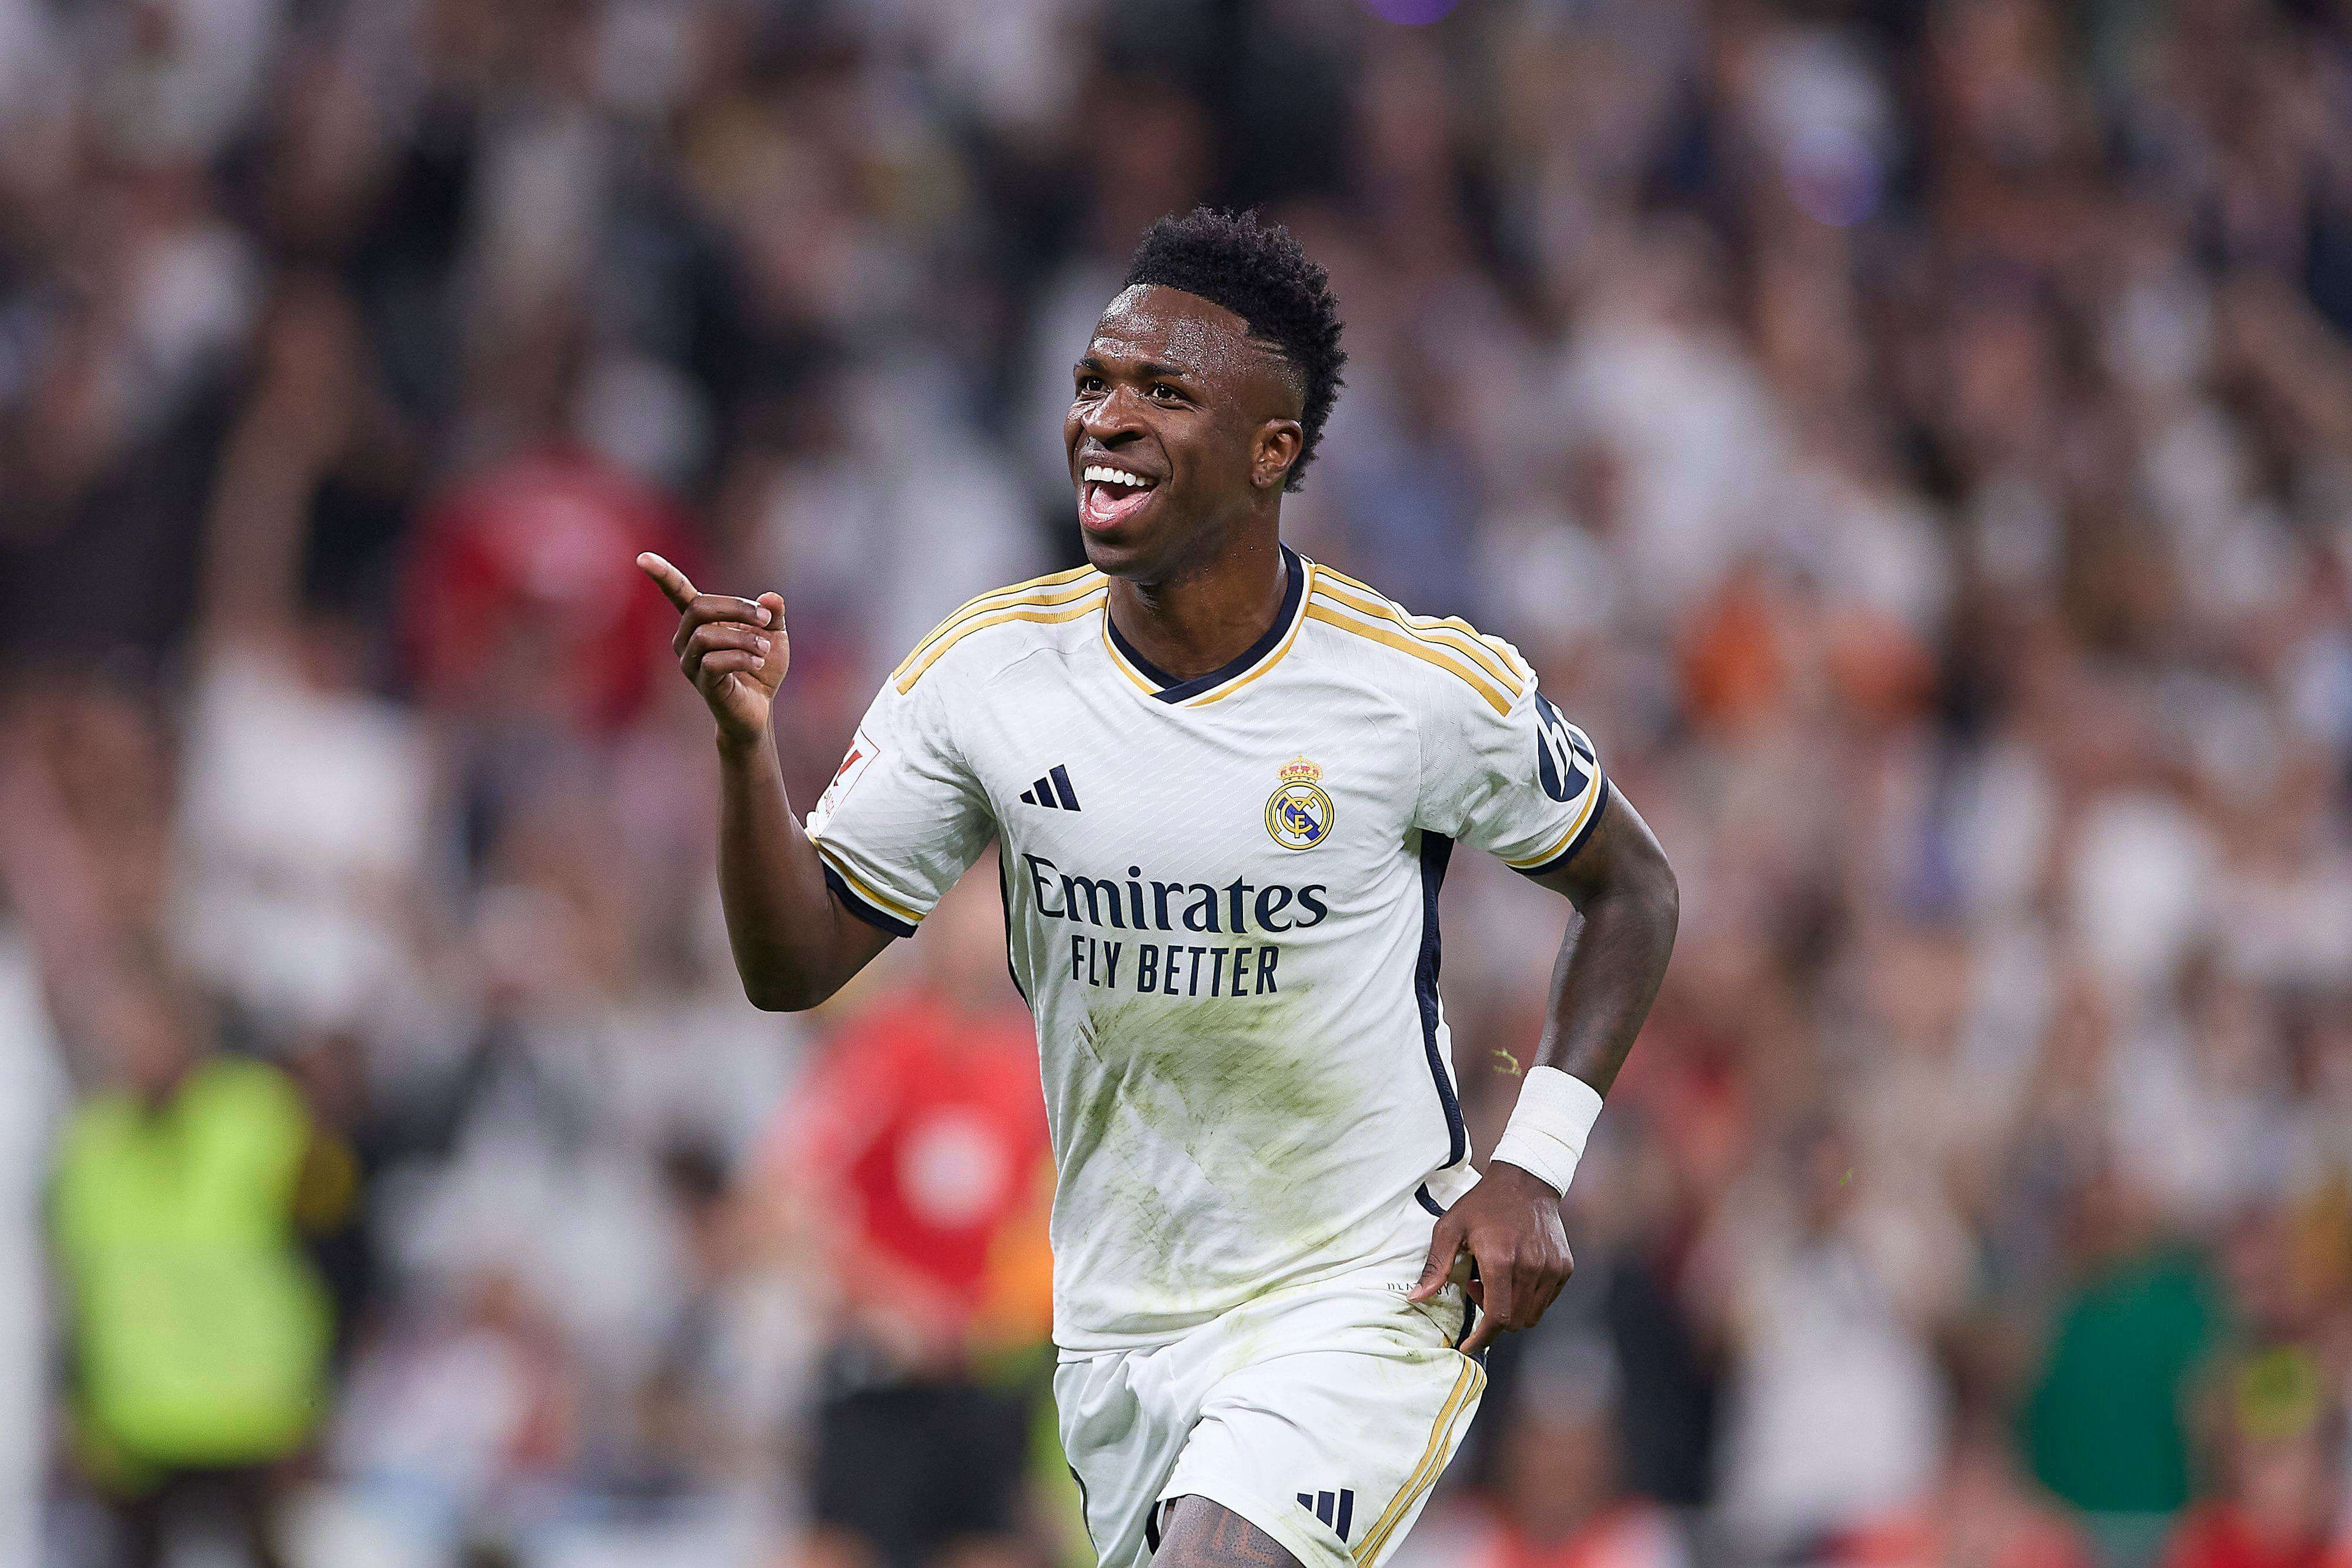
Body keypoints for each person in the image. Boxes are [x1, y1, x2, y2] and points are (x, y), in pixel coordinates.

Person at [637, 208, 1679, 1568]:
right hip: (1121, 1326)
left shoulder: (1413, 687)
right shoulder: (985, 678)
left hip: (1355, 1290)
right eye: (1092, 383)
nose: (1105, 419)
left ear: (1271, 449)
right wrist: (744, 749)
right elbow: (792, 965)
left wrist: (1534, 1158)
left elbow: (1631, 888)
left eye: (1163, 392)